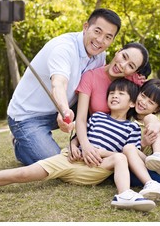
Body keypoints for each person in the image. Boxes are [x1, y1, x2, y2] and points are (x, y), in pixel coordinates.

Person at [0, 79, 160, 212]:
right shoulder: (97, 117)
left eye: (121, 94)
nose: (114, 96)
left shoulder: (133, 128)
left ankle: (124, 195)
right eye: (111, 93)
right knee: (23, 174)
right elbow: (79, 136)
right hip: (70, 159)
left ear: (133, 103)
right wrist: (76, 145)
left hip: (96, 169)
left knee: (120, 157)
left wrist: (101, 152)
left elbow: (128, 154)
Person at [7, 8, 121, 165]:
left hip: (62, 109)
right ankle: (21, 144)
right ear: (86, 27)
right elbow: (59, 83)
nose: (101, 40)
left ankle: (75, 142)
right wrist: (64, 110)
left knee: (96, 105)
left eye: (108, 37)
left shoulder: (99, 54)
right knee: (57, 164)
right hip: (27, 116)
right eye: (97, 31)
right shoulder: (63, 48)